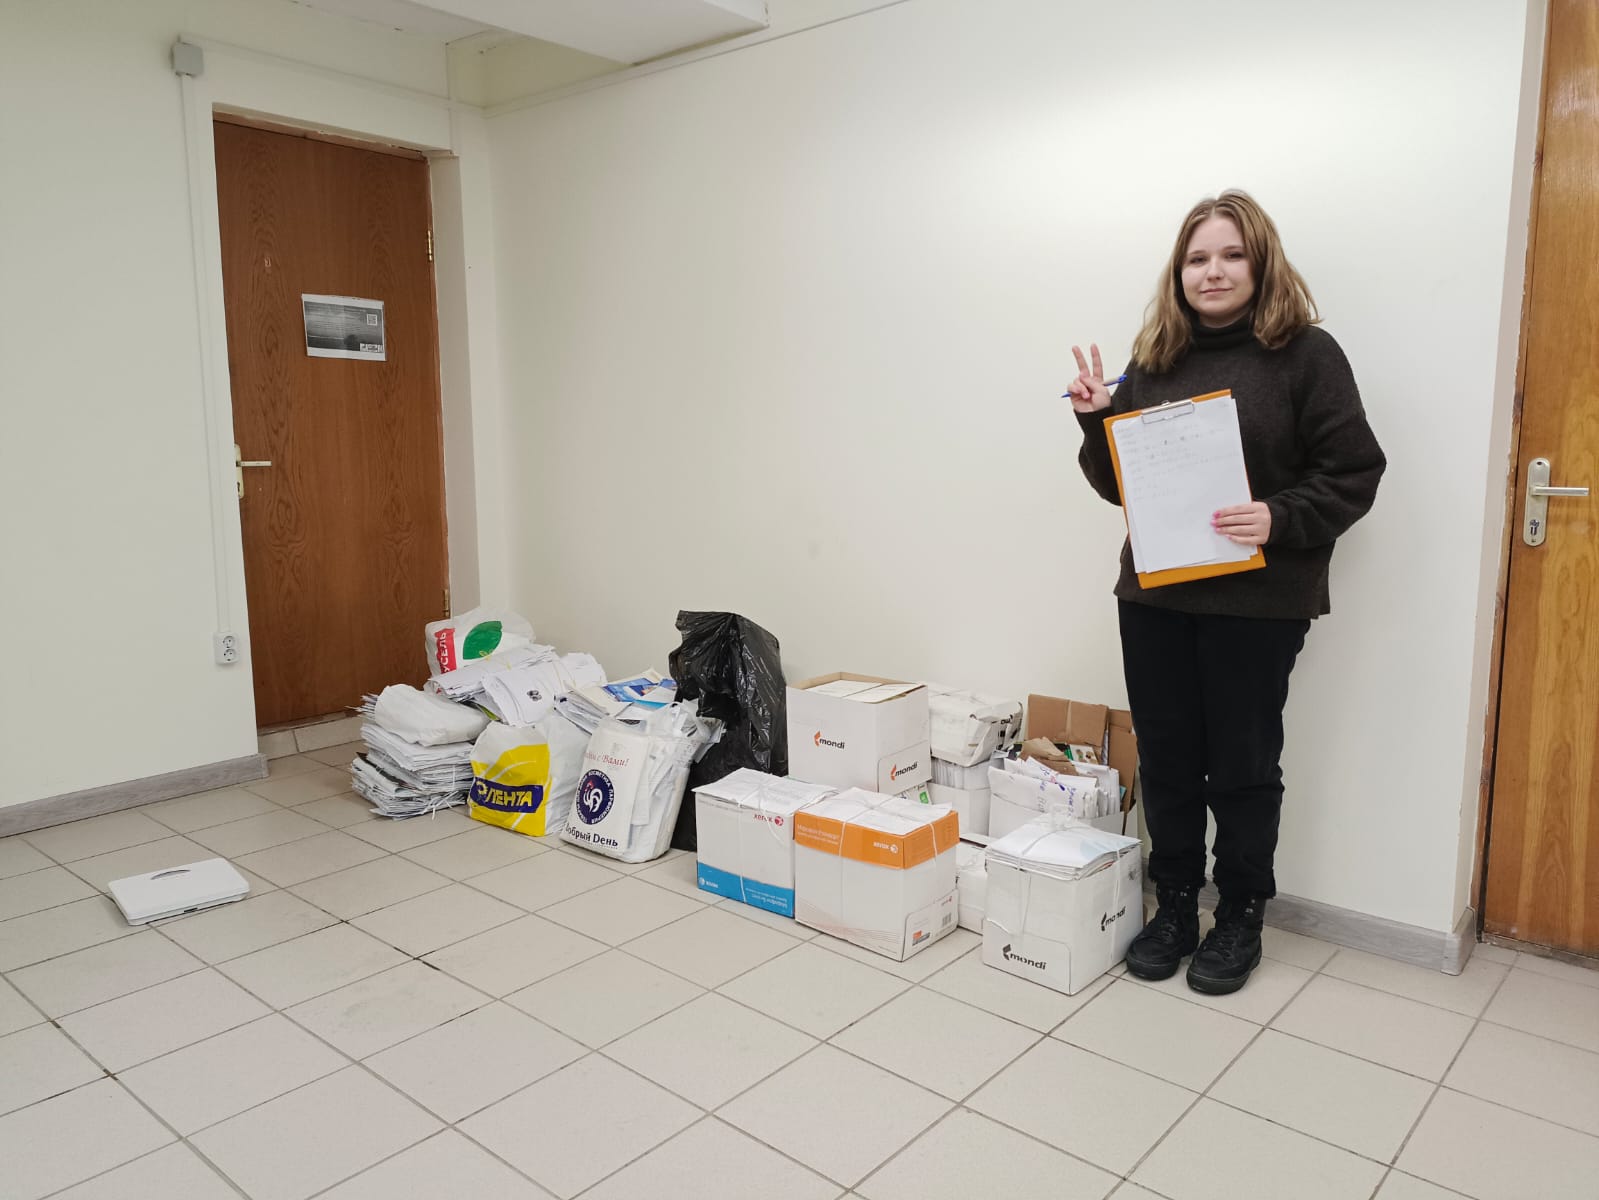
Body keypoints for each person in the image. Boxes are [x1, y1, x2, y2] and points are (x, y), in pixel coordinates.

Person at [1069, 190, 1385, 994]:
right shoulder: (1155, 359)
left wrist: (1278, 517)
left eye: (1231, 255)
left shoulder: (1306, 355)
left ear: (1260, 263)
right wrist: (1097, 421)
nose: (1212, 271)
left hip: (1257, 603)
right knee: (1167, 758)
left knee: (1242, 765)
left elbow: (1354, 472)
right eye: (1197, 258)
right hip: (1155, 597)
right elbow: (1120, 487)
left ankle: (1239, 912)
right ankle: (1175, 904)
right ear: (1178, 272)